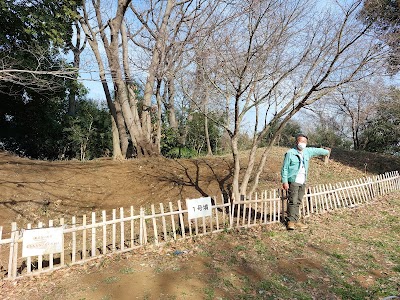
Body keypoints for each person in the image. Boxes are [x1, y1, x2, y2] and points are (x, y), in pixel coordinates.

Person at [281, 134, 330, 230]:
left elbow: (317, 150)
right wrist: (285, 181)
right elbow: (284, 168)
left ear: (306, 143)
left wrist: (327, 151)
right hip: (293, 180)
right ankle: (290, 221)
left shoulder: (307, 151)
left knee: (298, 201)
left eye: (304, 142)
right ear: (296, 142)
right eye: (300, 141)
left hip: (302, 181)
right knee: (292, 201)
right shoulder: (290, 153)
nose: (302, 143)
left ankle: (296, 220)